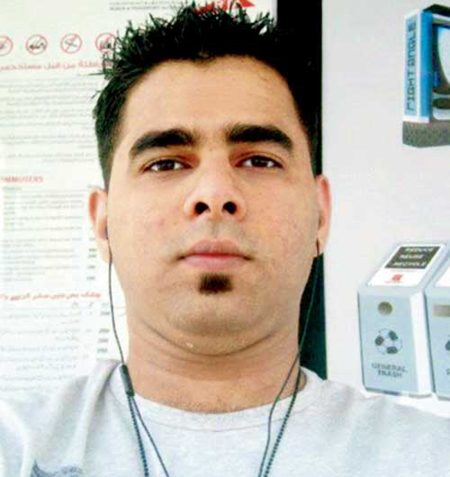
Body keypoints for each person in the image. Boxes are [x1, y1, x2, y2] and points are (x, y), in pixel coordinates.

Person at [0, 3, 449, 477]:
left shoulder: (431, 457)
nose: (214, 195)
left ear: (320, 215)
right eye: (165, 163)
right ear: (103, 224)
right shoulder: (18, 447)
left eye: (259, 161)